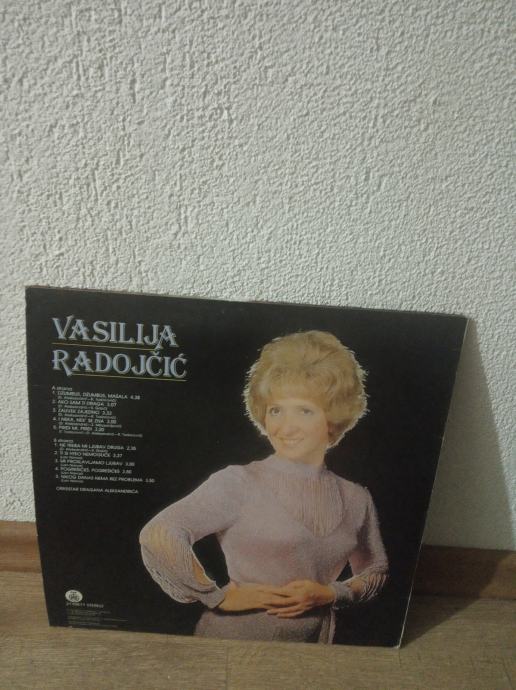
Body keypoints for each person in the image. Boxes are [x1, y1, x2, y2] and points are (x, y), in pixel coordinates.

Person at [139, 330, 388, 643]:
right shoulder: (238, 482)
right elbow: (159, 533)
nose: (285, 427)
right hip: (232, 642)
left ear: (333, 418)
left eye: (304, 410)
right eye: (275, 410)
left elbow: (375, 570)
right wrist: (216, 596)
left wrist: (331, 593)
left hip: (314, 646)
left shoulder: (356, 497)